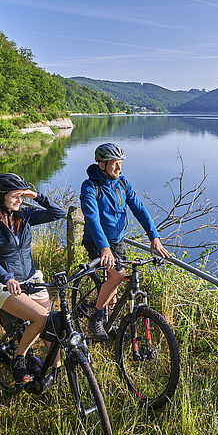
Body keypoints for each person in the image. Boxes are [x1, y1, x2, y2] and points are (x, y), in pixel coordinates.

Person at [0, 172, 65, 387]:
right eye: (15, 196)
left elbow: (59, 213)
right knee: (42, 318)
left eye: (21, 195)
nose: (19, 200)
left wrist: (37, 197)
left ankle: (57, 372)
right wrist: (6, 277)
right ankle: (19, 358)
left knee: (52, 327)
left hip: (31, 280)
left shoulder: (24, 215)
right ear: (1, 196)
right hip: (3, 285)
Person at [80, 142, 170, 341]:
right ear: (101, 165)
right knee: (118, 275)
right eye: (114, 164)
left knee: (115, 281)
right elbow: (92, 219)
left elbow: (139, 209)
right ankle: (95, 318)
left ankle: (109, 323)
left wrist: (154, 238)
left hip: (117, 241)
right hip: (96, 241)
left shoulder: (122, 184)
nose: (119, 168)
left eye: (120, 163)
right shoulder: (90, 187)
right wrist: (104, 248)